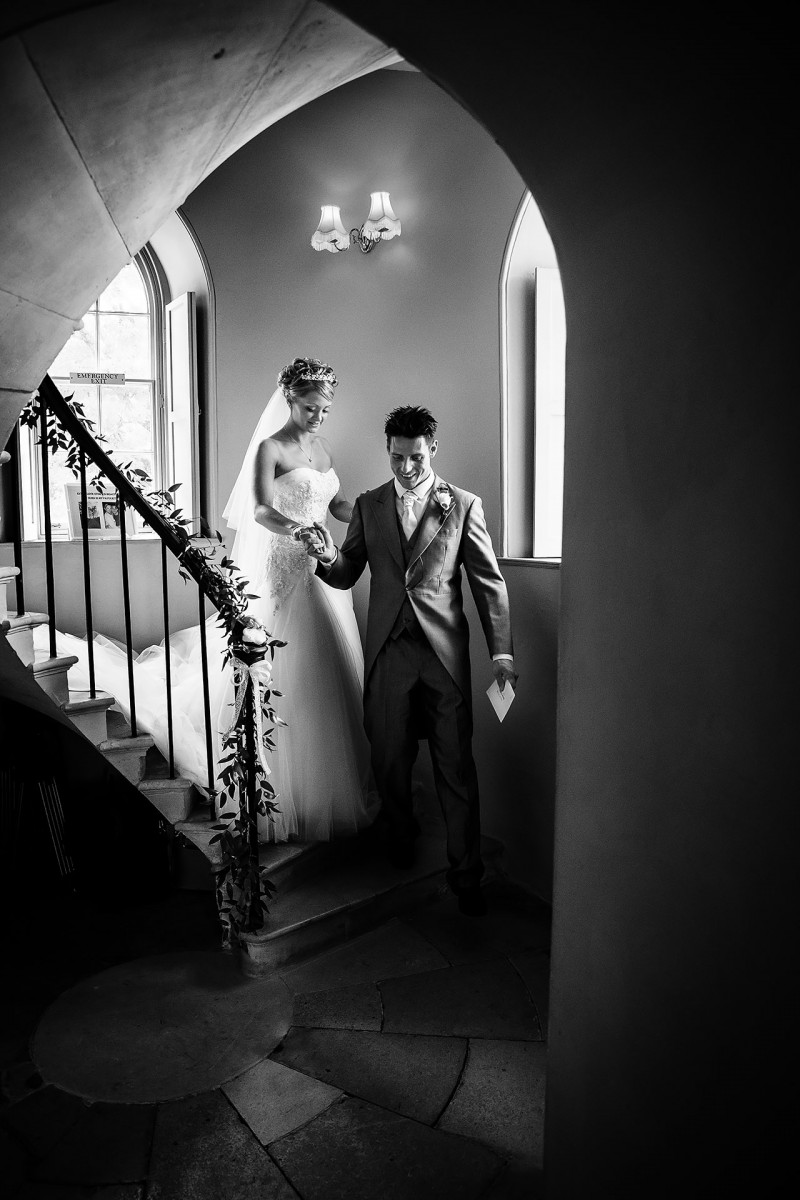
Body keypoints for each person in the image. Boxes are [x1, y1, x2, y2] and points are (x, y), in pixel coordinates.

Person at [35, 357, 377, 844]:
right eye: (309, 408)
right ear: (290, 401)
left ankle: (327, 788)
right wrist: (298, 529)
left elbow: (334, 503)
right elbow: (260, 509)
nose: (318, 417)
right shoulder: (270, 447)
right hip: (285, 570)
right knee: (281, 668)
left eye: (325, 409)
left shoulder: (321, 447)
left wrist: (368, 509)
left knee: (326, 672)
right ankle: (280, 793)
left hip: (319, 571)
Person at [305, 405, 516, 915]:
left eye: (416, 457)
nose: (405, 467)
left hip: (444, 659)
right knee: (389, 759)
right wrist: (326, 555)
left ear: (432, 449)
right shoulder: (369, 505)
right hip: (389, 652)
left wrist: (502, 652)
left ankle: (466, 876)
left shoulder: (463, 504)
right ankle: (400, 837)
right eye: (397, 457)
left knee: (456, 768)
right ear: (388, 450)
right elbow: (347, 573)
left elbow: (488, 583)